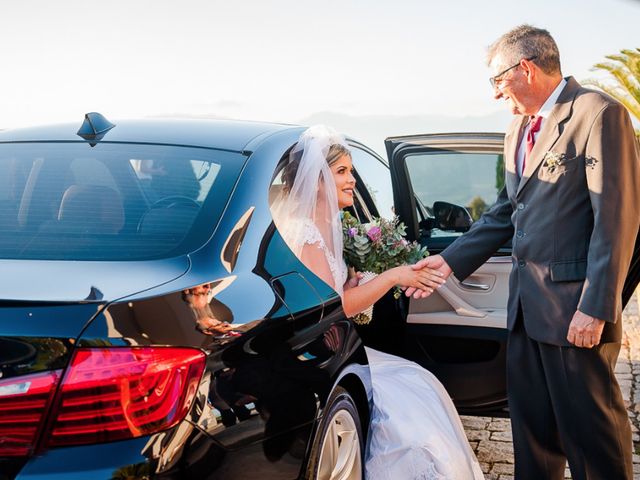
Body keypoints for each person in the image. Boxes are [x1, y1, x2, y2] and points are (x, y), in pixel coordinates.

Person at [410, 25, 640, 480]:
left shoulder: (598, 114)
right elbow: (504, 212)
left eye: (497, 81)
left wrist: (594, 308)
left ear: (526, 69)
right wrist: (449, 260)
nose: (496, 95)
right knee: (532, 433)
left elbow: (617, 219)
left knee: (593, 436)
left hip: (574, 310)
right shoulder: (517, 127)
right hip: (524, 309)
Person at [271, 125, 484, 479]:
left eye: (350, 170)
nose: (352, 179)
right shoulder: (306, 233)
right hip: (323, 359)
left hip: (341, 348)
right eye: (342, 172)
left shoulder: (328, 223)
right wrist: (393, 276)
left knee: (419, 382)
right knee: (413, 400)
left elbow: (332, 291)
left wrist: (355, 280)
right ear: (318, 181)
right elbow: (336, 308)